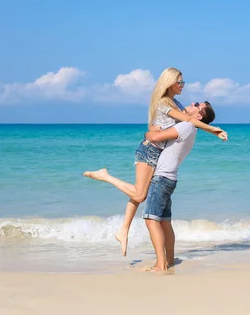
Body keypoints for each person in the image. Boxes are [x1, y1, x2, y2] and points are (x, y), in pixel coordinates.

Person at [83, 67, 227, 256]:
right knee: (140, 194)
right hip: (150, 150)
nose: (183, 86)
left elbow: (186, 120)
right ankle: (106, 176)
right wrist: (214, 130)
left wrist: (153, 130)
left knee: (138, 194)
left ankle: (123, 230)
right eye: (180, 82)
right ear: (169, 83)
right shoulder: (164, 103)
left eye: (183, 82)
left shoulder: (176, 103)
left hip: (156, 152)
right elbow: (188, 121)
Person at [140, 102, 213, 271]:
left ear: (199, 116)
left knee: (151, 220)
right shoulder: (190, 128)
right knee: (165, 221)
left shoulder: (187, 126)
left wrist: (149, 132)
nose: (191, 103)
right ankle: (170, 260)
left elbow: (155, 138)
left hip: (162, 177)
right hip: (169, 177)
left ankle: (160, 264)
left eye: (196, 104)